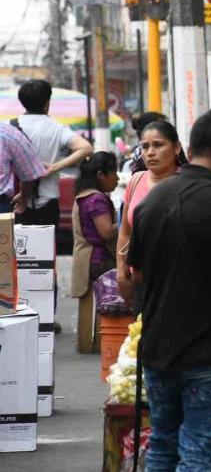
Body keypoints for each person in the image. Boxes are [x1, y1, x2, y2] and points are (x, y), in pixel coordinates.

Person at [127, 108, 211, 470]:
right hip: (204, 351)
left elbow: (137, 272)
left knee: (161, 443)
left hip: (157, 347)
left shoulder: (150, 202)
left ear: (187, 146)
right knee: (199, 449)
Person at [117, 120, 184, 308]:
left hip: (179, 283)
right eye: (144, 147)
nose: (150, 152)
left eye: (158, 145)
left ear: (176, 147)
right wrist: (122, 272)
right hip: (142, 284)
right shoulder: (136, 181)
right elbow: (125, 231)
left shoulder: (188, 184)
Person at [14, 79, 93, 225]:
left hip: (18, 200)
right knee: (48, 246)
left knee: (20, 246)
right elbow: (86, 148)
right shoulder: (56, 128)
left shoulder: (12, 127)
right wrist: (54, 166)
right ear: (47, 102)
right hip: (48, 200)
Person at [70, 152, 119, 354]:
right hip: (99, 260)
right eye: (113, 173)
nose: (116, 178)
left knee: (87, 303)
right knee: (105, 301)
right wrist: (128, 223)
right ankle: (101, 343)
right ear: (101, 174)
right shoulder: (97, 199)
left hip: (85, 258)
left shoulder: (82, 196)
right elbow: (106, 231)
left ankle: (86, 343)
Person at [0, 122, 45, 215]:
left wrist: (24, 198)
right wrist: (24, 200)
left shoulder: (7, 133)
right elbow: (30, 174)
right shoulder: (8, 133)